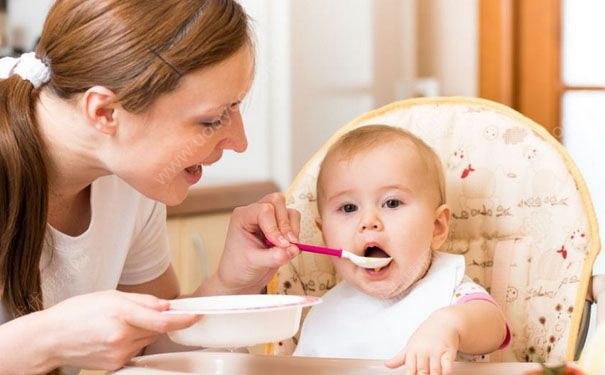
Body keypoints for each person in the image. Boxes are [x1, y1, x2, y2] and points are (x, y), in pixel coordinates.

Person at [0, 1, 301, 373]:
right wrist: (49, 339)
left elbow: (152, 344)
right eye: (211, 120)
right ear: (106, 112)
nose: (239, 142)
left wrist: (231, 283)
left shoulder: (129, 175)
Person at [293, 125, 510, 375]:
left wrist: (449, 325)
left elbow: (495, 328)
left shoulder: (450, 293)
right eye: (349, 208)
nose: (368, 221)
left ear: (437, 227)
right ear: (324, 235)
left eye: (391, 203)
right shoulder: (324, 314)